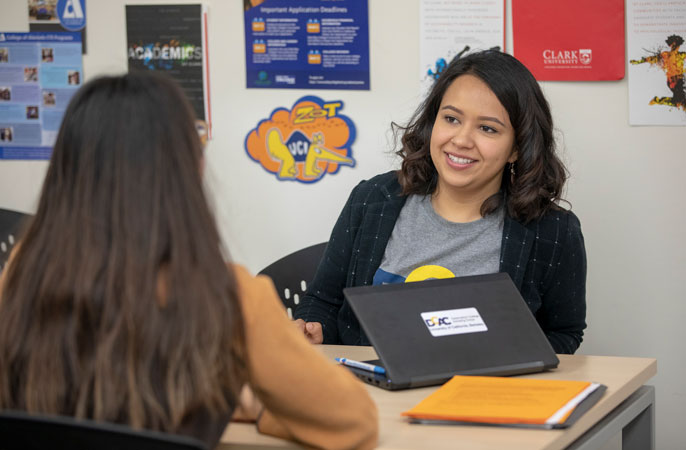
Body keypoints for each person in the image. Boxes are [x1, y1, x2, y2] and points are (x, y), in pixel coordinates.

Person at [0, 72, 377, 449]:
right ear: (188, 169)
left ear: (66, 171)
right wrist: (260, 408)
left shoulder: (23, 270)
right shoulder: (229, 294)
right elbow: (354, 421)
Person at [294, 50, 587, 355]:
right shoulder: (372, 199)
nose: (461, 140)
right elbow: (323, 301)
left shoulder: (553, 231)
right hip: (374, 393)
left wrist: (504, 362)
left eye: (487, 128)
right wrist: (314, 328)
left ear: (517, 147)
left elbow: (564, 333)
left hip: (478, 396)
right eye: (451, 119)